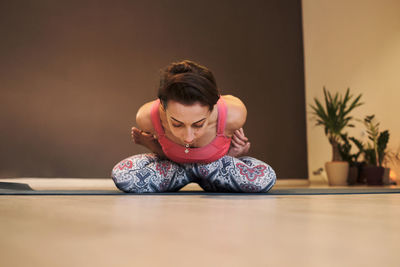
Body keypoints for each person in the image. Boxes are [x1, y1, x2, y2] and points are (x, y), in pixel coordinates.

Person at [111, 60, 276, 193]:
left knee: (265, 178)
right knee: (123, 176)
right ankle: (199, 176)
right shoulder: (147, 118)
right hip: (174, 168)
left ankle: (205, 173)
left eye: (198, 124)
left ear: (213, 105)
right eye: (177, 124)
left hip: (216, 166)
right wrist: (150, 145)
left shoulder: (233, 115)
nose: (188, 137)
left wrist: (232, 155)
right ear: (162, 106)